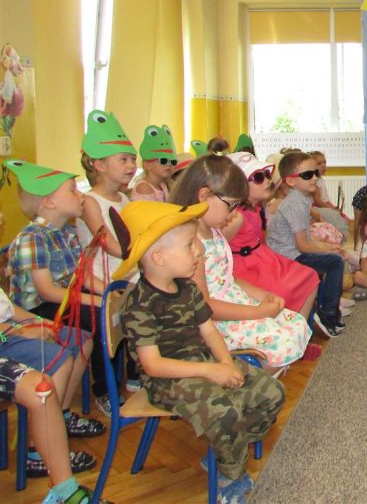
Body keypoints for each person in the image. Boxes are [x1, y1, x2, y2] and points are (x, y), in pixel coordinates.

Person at [118, 201, 285, 504]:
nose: (199, 251)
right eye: (190, 245)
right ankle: (230, 478)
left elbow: (209, 332)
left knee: (272, 393)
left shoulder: (189, 289)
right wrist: (211, 370)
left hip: (204, 362)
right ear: (158, 257)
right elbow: (153, 365)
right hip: (167, 378)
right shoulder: (139, 303)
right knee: (225, 411)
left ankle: (225, 452)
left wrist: (225, 363)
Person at [169, 155, 315, 366]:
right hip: (214, 320)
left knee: (295, 323)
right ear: (203, 196)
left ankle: (264, 375)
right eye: (230, 205)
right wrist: (258, 311)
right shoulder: (192, 244)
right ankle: (249, 378)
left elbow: (229, 277)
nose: (233, 214)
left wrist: (264, 295)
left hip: (232, 302)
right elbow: (204, 305)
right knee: (284, 341)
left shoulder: (213, 231)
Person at [4, 159, 116, 417]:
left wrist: (109, 292)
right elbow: (47, 292)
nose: (81, 196)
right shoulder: (32, 238)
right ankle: (104, 392)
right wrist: (97, 302)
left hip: (64, 299)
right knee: (99, 318)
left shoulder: (67, 232)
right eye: (73, 191)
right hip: (37, 309)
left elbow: (82, 277)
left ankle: (64, 408)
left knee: (109, 309)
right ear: (49, 202)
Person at [0, 287, 103, 484]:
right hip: (3, 339)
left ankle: (61, 417)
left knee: (81, 341)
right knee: (60, 360)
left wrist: (41, 322)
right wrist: (19, 331)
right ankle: (37, 453)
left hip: (9, 329)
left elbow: (7, 308)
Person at [218, 153, 325, 335]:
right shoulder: (236, 217)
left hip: (262, 257)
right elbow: (218, 250)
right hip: (245, 267)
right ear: (239, 185)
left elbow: (260, 238)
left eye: (267, 175)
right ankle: (288, 334)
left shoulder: (256, 208)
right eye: (258, 177)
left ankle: (299, 334)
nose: (267, 180)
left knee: (309, 277)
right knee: (284, 289)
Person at [260, 151, 347, 339]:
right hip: (285, 256)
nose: (314, 178)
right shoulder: (296, 204)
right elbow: (302, 246)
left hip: (292, 251)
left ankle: (326, 306)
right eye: (307, 175)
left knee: (332, 256)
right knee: (334, 263)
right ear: (291, 181)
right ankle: (328, 312)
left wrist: (327, 247)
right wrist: (326, 250)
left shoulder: (303, 199)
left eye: (315, 173)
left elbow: (305, 239)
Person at [75, 110, 139, 287]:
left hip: (127, 272)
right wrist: (139, 252)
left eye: (133, 159)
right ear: (101, 165)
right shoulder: (90, 202)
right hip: (104, 280)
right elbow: (108, 243)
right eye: (123, 160)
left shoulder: (122, 198)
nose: (132, 165)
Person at [131, 124, 178, 202]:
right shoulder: (144, 187)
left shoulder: (163, 186)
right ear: (147, 164)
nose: (169, 164)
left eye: (173, 161)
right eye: (163, 160)